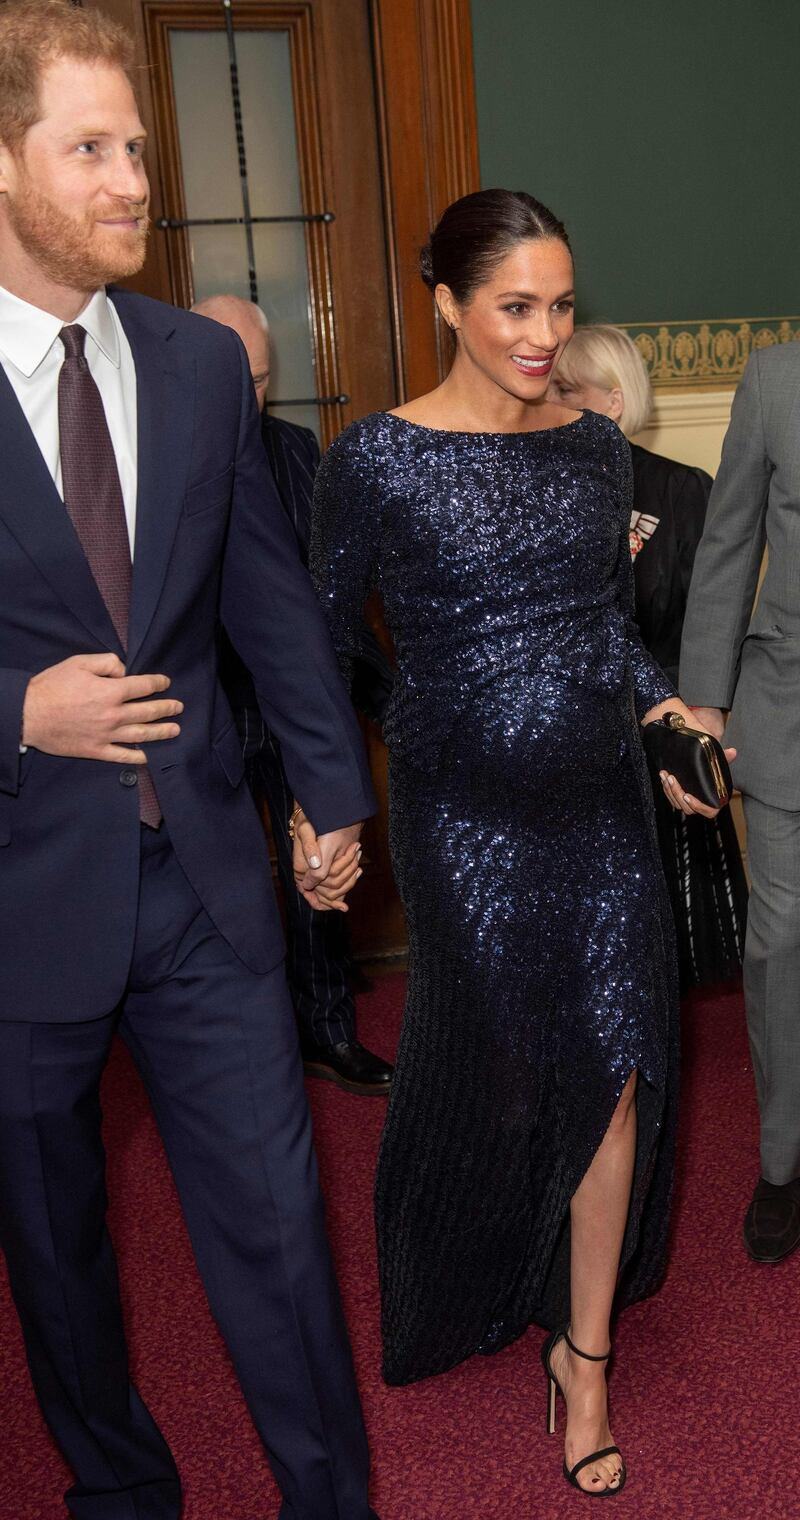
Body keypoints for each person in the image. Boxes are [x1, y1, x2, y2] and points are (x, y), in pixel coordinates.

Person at [0, 4, 380, 1518]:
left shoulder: (199, 367)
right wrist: (18, 713)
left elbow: (270, 603)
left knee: (280, 1227)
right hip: (23, 893)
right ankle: (122, 1498)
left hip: (209, 883)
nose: (130, 179)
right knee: (57, 1249)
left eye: (137, 146)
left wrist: (334, 795)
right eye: (88, 147)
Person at [306, 188, 733, 1497]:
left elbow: (608, 629)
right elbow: (323, 638)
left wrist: (660, 714)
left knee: (616, 1068)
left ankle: (586, 1353)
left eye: (560, 304)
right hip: (464, 820)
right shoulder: (376, 459)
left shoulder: (591, 451)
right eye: (515, 307)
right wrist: (397, 734)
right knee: (493, 1066)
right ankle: (483, 1269)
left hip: (598, 807)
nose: (546, 333)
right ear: (446, 302)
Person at [191, 293, 394, 1097]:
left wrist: (357, 696)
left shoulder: (295, 448)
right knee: (219, 885)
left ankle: (329, 1032)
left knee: (320, 866)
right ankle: (235, 1047)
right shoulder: (151, 455)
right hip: (200, 711)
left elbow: (323, 597)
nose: (249, 400)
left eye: (262, 381)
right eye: (233, 381)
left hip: (288, 705)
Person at [549, 324, 748, 992]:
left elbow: (710, 618)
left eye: (563, 388)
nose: (547, 398)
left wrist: (693, 718)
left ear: (609, 400)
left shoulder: (684, 491)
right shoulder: (534, 488)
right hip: (564, 724)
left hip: (660, 713)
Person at [680, 341, 800, 1266]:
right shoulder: (775, 379)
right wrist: (705, 708)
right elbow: (728, 543)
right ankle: (783, 1163)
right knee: (781, 943)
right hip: (788, 711)